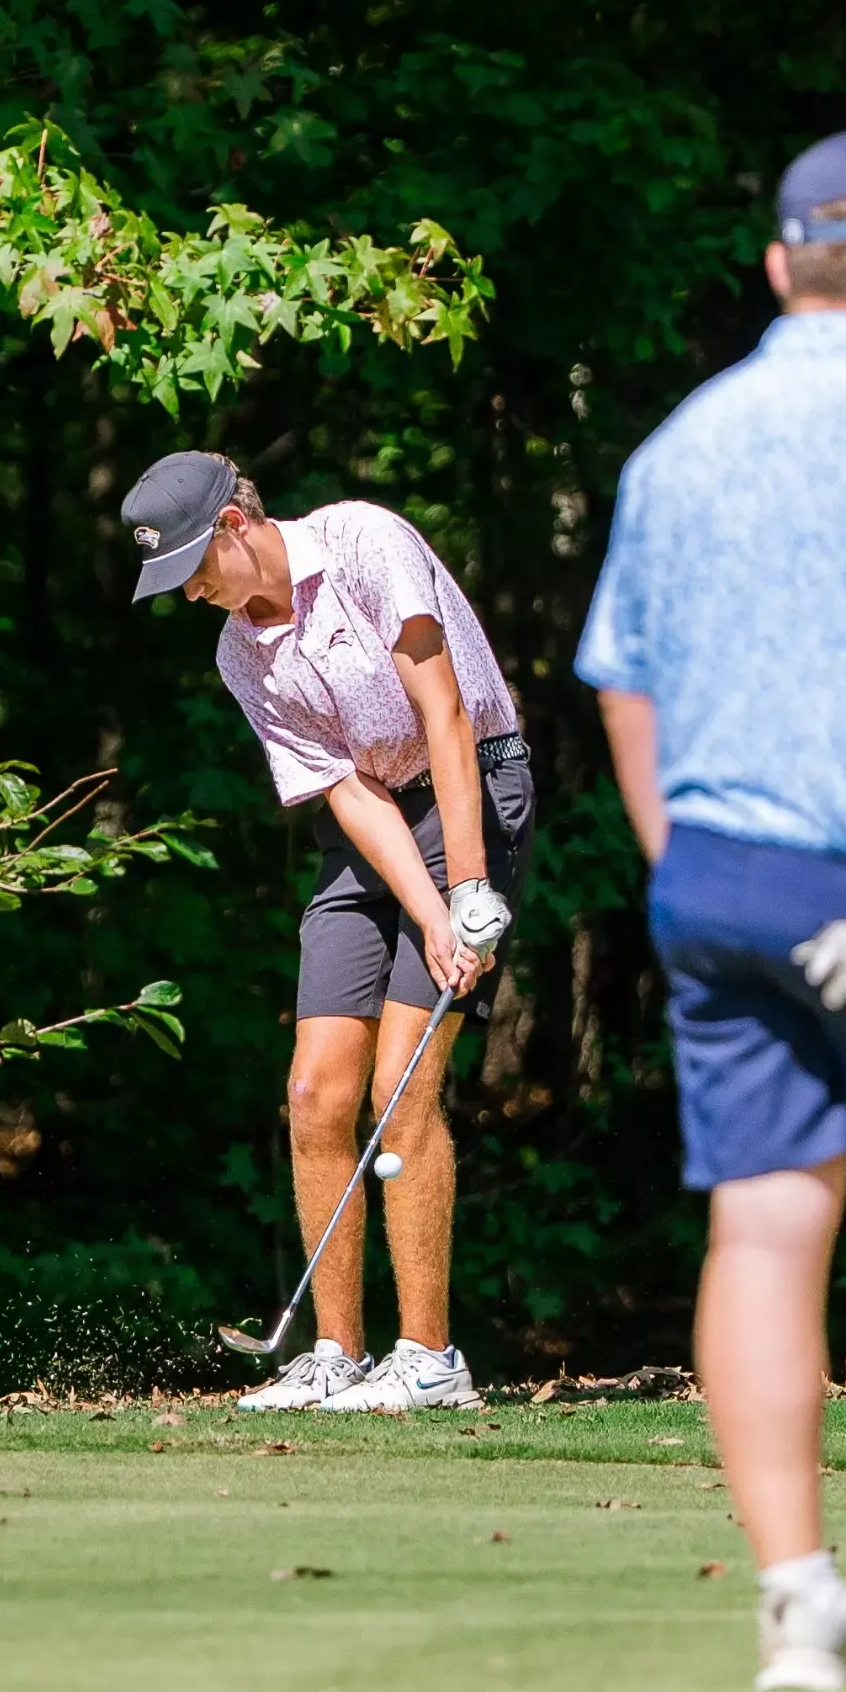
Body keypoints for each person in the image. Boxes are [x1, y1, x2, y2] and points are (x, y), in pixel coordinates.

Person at [575, 126, 846, 1692]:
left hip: (723, 886)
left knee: (764, 1222)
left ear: (781, 267)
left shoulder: (682, 443)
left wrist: (686, 873)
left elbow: (624, 684)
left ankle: (800, 1598)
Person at [122, 452, 534, 1410]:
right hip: (376, 819)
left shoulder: (362, 541)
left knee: (400, 1088)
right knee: (315, 1092)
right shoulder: (238, 653)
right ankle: (333, 1352)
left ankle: (428, 1357)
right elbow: (346, 788)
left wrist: (464, 890)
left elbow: (445, 715)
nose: (189, 594)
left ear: (234, 525)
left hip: (472, 787)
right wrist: (424, 908)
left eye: (192, 567)